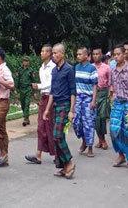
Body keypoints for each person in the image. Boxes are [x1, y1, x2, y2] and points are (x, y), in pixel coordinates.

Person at [43, 43, 76, 179]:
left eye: (56, 53)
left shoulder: (69, 70)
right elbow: (52, 92)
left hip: (65, 105)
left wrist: (71, 111)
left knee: (57, 135)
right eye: (53, 53)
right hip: (56, 105)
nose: (54, 55)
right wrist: (46, 109)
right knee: (56, 136)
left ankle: (69, 162)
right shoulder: (54, 71)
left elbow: (73, 91)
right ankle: (63, 166)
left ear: (62, 54)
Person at [25, 44, 58, 165]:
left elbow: (51, 84)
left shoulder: (53, 67)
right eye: (41, 51)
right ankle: (38, 155)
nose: (42, 53)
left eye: (44, 51)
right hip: (44, 97)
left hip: (51, 98)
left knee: (50, 126)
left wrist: (38, 86)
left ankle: (56, 154)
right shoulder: (41, 68)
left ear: (49, 53)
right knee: (40, 127)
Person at [73, 47, 98, 158]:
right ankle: (84, 141)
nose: (77, 56)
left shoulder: (92, 68)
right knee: (76, 122)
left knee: (88, 123)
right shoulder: (76, 67)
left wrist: (93, 100)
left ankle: (90, 147)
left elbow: (95, 85)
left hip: (88, 98)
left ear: (86, 55)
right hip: (78, 98)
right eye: (77, 54)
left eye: (79, 54)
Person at [0, 47, 14, 167]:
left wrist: (0, 81)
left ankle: (3, 152)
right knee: (1, 129)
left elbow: (11, 84)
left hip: (2, 102)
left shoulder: (4, 69)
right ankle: (4, 157)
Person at [110, 45, 128, 167]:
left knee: (127, 131)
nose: (116, 57)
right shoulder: (113, 70)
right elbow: (112, 87)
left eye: (118, 54)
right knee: (113, 130)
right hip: (117, 103)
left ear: (124, 55)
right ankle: (121, 155)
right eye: (115, 55)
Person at [92, 48, 111, 150]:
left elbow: (110, 82)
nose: (95, 56)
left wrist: (109, 95)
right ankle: (100, 140)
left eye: (97, 54)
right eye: (94, 54)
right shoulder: (90, 67)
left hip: (103, 93)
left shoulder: (107, 67)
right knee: (95, 118)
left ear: (101, 55)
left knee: (102, 117)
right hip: (93, 94)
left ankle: (103, 140)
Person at [16, 56, 36, 126]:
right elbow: (18, 79)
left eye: (27, 61)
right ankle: (27, 118)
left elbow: (33, 81)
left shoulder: (30, 70)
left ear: (29, 62)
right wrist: (16, 89)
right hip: (21, 89)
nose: (25, 62)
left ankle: (25, 119)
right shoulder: (19, 70)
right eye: (24, 61)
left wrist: (34, 92)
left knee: (27, 104)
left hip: (28, 89)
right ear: (22, 62)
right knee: (23, 104)